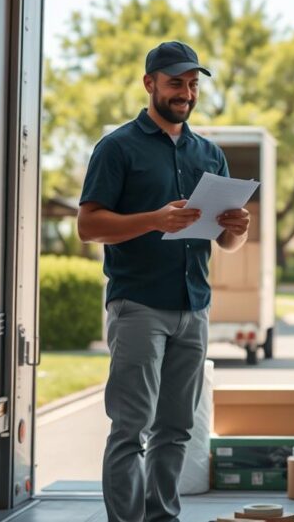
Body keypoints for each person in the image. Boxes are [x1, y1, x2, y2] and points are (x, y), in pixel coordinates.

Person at [77, 41, 250, 522]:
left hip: (193, 308)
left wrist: (238, 230)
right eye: (176, 82)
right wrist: (154, 220)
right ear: (150, 83)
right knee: (130, 429)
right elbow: (89, 226)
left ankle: (162, 518)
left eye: (193, 84)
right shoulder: (116, 148)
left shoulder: (210, 154)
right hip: (138, 306)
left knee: (175, 429)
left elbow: (226, 243)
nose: (186, 93)